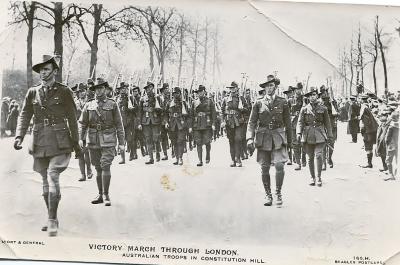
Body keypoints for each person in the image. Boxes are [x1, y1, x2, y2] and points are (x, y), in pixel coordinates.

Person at [14, 54, 81, 236]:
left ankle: (51, 221)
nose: (43, 73)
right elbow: (25, 114)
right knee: (44, 180)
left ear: (55, 71)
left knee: (52, 176)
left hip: (60, 141)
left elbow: (73, 119)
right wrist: (19, 136)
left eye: (46, 69)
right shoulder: (33, 92)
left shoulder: (64, 91)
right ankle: (52, 215)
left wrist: (76, 143)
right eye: (41, 70)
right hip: (39, 140)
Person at [79, 78, 125, 206]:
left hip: (109, 139)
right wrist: (81, 138)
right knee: (98, 167)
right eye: (96, 88)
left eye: (101, 88)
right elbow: (83, 124)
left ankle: (106, 195)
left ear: (105, 89)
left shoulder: (112, 104)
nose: (98, 91)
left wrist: (121, 142)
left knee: (105, 165)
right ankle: (100, 194)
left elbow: (119, 125)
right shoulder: (89, 105)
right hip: (93, 140)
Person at [246, 76, 291, 206]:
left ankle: (278, 193)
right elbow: (252, 122)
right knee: (265, 168)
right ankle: (268, 194)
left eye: (271, 86)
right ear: (264, 88)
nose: (269, 88)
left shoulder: (283, 102)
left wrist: (291, 142)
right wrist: (249, 138)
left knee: (279, 165)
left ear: (275, 87)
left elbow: (288, 124)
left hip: (278, 137)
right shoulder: (258, 103)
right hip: (263, 137)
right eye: (267, 86)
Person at [296, 88, 333, 187]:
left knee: (319, 155)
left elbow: (328, 123)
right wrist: (298, 133)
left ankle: (319, 177)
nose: (312, 97)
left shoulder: (323, 108)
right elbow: (300, 122)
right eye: (310, 95)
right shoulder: (304, 109)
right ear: (308, 97)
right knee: (310, 157)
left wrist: (330, 135)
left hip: (320, 134)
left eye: (314, 94)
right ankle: (312, 177)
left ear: (317, 96)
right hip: (308, 135)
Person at [222, 81, 249, 167]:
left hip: (239, 122)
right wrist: (223, 121)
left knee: (238, 139)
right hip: (229, 122)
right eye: (230, 88)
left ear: (237, 88)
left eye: (233, 88)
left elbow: (247, 109)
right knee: (231, 141)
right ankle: (233, 159)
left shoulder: (241, 98)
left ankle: (238, 159)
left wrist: (242, 110)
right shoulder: (226, 99)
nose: (232, 89)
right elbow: (222, 111)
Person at [164, 87, 191, 165]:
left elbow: (189, 115)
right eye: (174, 93)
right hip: (172, 124)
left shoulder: (184, 103)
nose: (176, 95)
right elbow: (165, 113)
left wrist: (188, 125)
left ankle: (180, 158)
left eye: (177, 93)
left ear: (180, 94)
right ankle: (176, 158)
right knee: (174, 142)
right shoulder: (169, 103)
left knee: (180, 141)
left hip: (181, 124)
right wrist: (166, 122)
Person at [190, 85, 216, 166]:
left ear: (204, 92)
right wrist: (190, 126)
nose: (199, 94)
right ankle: (200, 160)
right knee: (198, 142)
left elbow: (214, 114)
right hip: (197, 124)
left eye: (201, 92)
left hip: (207, 124)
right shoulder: (194, 102)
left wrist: (213, 124)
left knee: (207, 141)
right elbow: (191, 115)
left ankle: (208, 154)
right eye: (198, 92)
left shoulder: (209, 101)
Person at [138, 82, 163, 164]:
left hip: (155, 121)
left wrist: (156, 110)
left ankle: (158, 153)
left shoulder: (157, 97)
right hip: (146, 121)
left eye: (149, 88)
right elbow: (140, 111)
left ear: (152, 88)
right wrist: (139, 123)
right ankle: (151, 158)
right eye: (146, 88)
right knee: (148, 139)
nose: (148, 90)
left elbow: (161, 110)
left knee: (156, 138)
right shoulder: (142, 99)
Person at [73, 83, 93, 181]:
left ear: (86, 91)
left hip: (87, 127)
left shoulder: (90, 102)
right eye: (79, 92)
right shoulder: (74, 102)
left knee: (86, 150)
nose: (81, 93)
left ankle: (89, 170)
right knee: (79, 152)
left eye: (83, 91)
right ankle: (82, 174)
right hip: (77, 128)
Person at [359, 95, 378, 168]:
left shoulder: (364, 108)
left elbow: (365, 121)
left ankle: (369, 163)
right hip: (370, 130)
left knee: (368, 146)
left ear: (362, 100)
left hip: (368, 131)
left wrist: (363, 130)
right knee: (369, 146)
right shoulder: (368, 107)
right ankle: (369, 163)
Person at [384, 109, 399, 180]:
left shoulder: (391, 126)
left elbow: (387, 137)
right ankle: (397, 174)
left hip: (391, 145)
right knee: (397, 160)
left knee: (389, 160)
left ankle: (391, 174)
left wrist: (386, 143)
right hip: (398, 145)